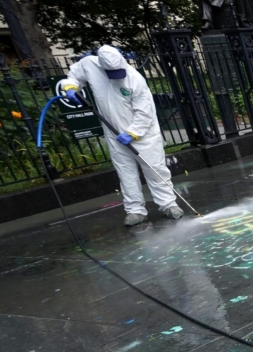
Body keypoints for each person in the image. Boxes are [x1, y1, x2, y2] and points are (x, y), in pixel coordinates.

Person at [60, 46, 181, 226]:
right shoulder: (89, 65)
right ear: (102, 66)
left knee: (155, 170)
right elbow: (74, 75)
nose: (117, 75)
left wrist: (132, 133)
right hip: (114, 135)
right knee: (126, 173)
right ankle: (135, 211)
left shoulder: (135, 80)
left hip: (144, 136)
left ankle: (168, 205)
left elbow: (144, 113)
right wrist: (70, 87)